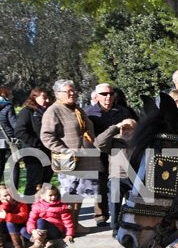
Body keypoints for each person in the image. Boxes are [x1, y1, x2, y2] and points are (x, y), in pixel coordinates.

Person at [40, 79, 131, 234]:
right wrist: (64, 150)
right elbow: (47, 136)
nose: (72, 93)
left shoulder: (77, 109)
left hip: (84, 158)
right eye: (68, 91)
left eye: (73, 90)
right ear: (57, 94)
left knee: (78, 195)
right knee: (70, 194)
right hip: (68, 159)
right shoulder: (53, 110)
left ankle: (75, 224)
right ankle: (68, 228)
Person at [85, 83, 132, 226]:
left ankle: (122, 214)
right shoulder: (89, 113)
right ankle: (101, 214)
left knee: (118, 184)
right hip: (98, 152)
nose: (108, 97)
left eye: (110, 94)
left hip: (118, 153)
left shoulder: (123, 112)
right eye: (104, 94)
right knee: (100, 184)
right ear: (96, 96)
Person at [14, 87, 54, 199]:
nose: (47, 100)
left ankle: (42, 210)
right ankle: (29, 209)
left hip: (49, 151)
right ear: (34, 97)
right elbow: (19, 131)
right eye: (43, 97)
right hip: (33, 153)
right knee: (34, 182)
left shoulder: (51, 112)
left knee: (46, 182)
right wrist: (36, 142)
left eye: (48, 97)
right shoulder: (27, 112)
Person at [22, 183, 75, 248]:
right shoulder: (37, 206)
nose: (53, 197)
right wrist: (33, 231)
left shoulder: (62, 206)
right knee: (23, 230)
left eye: (55, 195)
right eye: (50, 195)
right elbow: (31, 220)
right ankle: (46, 242)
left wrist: (69, 234)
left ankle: (39, 244)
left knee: (41, 221)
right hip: (40, 231)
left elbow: (67, 221)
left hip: (55, 230)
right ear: (42, 196)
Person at [0, 183, 28, 248]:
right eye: (5, 196)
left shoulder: (20, 202)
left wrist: (7, 216)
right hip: (4, 233)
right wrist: (5, 205)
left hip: (17, 230)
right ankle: (1, 246)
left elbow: (23, 217)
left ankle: (18, 246)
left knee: (10, 222)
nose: (9, 197)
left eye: (11, 194)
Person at [0, 86, 17, 184]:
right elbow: (14, 124)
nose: (12, 96)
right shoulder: (8, 106)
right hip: (9, 139)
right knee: (14, 165)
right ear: (4, 94)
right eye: (10, 94)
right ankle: (13, 190)